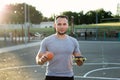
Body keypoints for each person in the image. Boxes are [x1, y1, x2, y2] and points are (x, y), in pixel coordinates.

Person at [36, 15, 85, 80]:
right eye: (59, 24)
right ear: (55, 25)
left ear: (67, 25)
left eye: (64, 24)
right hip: (51, 76)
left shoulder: (73, 41)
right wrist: (41, 60)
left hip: (68, 76)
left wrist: (80, 60)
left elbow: (79, 63)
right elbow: (38, 59)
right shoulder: (46, 41)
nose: (62, 27)